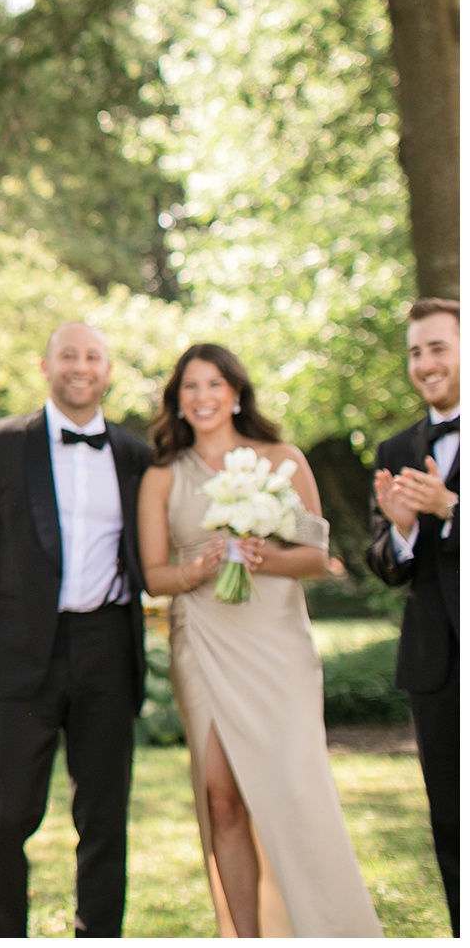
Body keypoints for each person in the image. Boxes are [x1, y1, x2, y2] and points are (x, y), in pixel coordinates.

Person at [138, 343, 380, 937]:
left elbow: (316, 556)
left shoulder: (281, 461)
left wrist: (261, 555)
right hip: (204, 642)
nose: (202, 398)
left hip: (275, 643)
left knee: (296, 792)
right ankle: (244, 935)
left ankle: (327, 926)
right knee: (221, 794)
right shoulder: (163, 475)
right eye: (190, 388)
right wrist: (198, 569)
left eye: (214, 385)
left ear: (236, 392)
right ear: (177, 401)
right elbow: (153, 574)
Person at [0, 322, 150, 937]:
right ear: (46, 367)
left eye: (93, 357)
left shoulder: (135, 454)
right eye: (68, 355)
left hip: (109, 648)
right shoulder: (1, 444)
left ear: (107, 371)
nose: (81, 366)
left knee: (105, 818)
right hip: (21, 657)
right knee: (10, 816)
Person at [367, 297, 459, 933]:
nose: (425, 363)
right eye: (416, 352)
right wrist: (401, 530)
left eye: (438, 347)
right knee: (453, 823)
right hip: (438, 668)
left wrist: (453, 508)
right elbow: (387, 564)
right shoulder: (395, 448)